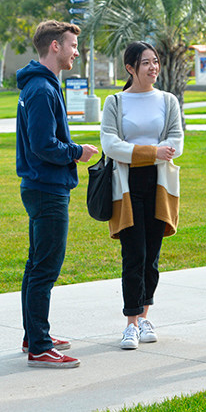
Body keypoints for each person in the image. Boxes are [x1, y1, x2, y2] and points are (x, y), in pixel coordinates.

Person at [16, 20, 98, 368]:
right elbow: (43, 144)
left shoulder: (41, 85)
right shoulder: (41, 89)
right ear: (54, 46)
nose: (76, 52)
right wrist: (76, 152)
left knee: (36, 265)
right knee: (45, 269)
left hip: (41, 186)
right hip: (46, 189)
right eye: (72, 46)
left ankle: (33, 334)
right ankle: (39, 347)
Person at [101, 41, 183, 350]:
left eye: (155, 61)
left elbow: (177, 143)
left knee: (152, 255)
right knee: (132, 253)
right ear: (130, 68)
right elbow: (110, 144)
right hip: (126, 184)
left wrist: (144, 153)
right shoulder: (115, 102)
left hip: (160, 184)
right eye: (145, 63)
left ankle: (146, 315)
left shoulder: (168, 100)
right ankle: (131, 323)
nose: (153, 67)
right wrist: (153, 151)